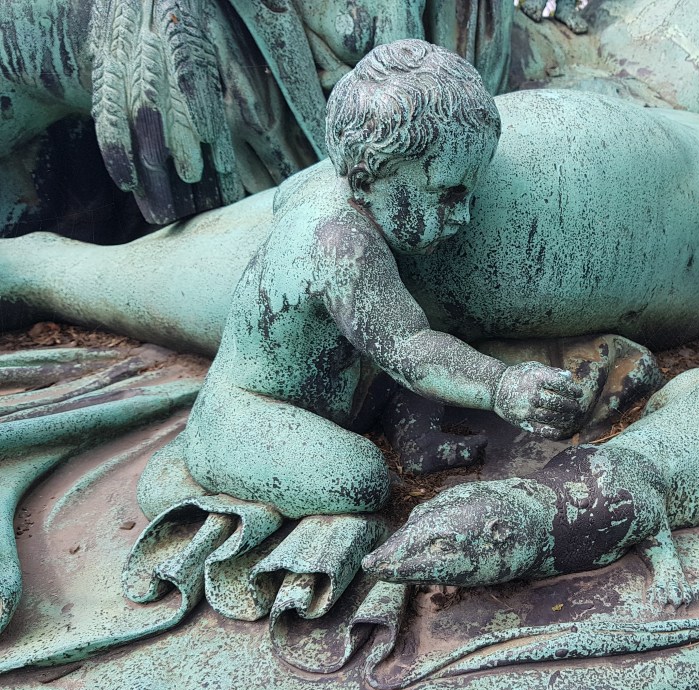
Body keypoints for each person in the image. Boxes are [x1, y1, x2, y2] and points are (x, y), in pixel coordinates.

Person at [167, 39, 583, 517]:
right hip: (247, 412)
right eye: (448, 193)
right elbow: (410, 349)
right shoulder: (342, 243)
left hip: (346, 388)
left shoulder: (336, 184)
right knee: (360, 479)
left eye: (470, 193)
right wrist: (503, 385)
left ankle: (415, 440)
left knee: (425, 341)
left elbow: (286, 193)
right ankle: (231, 455)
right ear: (366, 180)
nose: (464, 215)